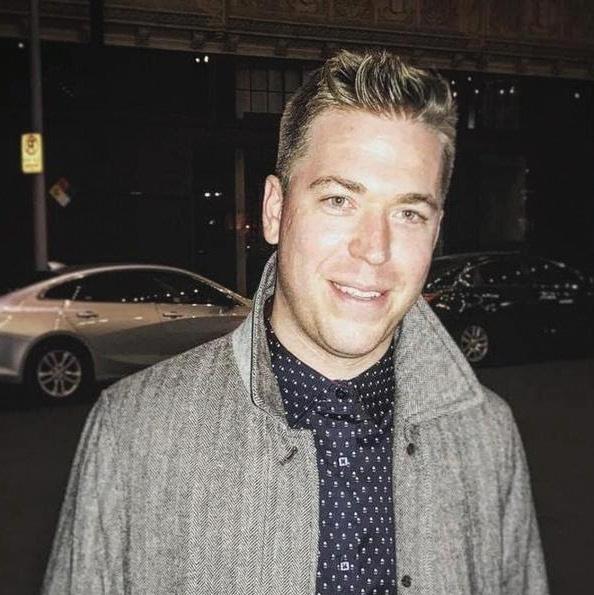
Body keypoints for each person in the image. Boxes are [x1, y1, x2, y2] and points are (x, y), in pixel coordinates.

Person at [43, 49, 548, 594]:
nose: (374, 249)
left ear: (436, 231)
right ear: (275, 210)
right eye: (339, 200)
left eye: (408, 213)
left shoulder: (487, 437)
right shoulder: (134, 433)